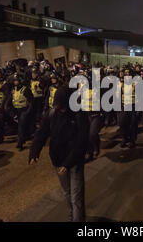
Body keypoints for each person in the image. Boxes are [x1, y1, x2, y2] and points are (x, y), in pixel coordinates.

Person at [29, 86, 89, 222]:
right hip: (58, 159)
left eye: (62, 106)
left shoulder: (79, 114)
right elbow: (41, 133)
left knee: (76, 196)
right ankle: (72, 216)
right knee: (67, 193)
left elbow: (82, 141)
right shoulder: (51, 113)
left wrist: (68, 163)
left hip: (74, 161)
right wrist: (34, 152)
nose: (60, 109)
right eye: (58, 106)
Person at [7, 73, 34, 151]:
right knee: (21, 126)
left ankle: (20, 142)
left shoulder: (25, 89)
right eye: (14, 81)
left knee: (21, 125)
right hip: (16, 110)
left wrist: (28, 112)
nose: (15, 82)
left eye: (16, 81)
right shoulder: (13, 90)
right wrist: (13, 114)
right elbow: (9, 102)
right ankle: (26, 136)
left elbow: (31, 102)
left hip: (24, 110)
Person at [118, 68, 138, 149]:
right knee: (122, 123)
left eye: (128, 74)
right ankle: (125, 138)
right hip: (124, 105)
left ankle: (132, 140)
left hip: (133, 106)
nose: (127, 76)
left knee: (133, 124)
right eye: (126, 74)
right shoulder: (121, 83)